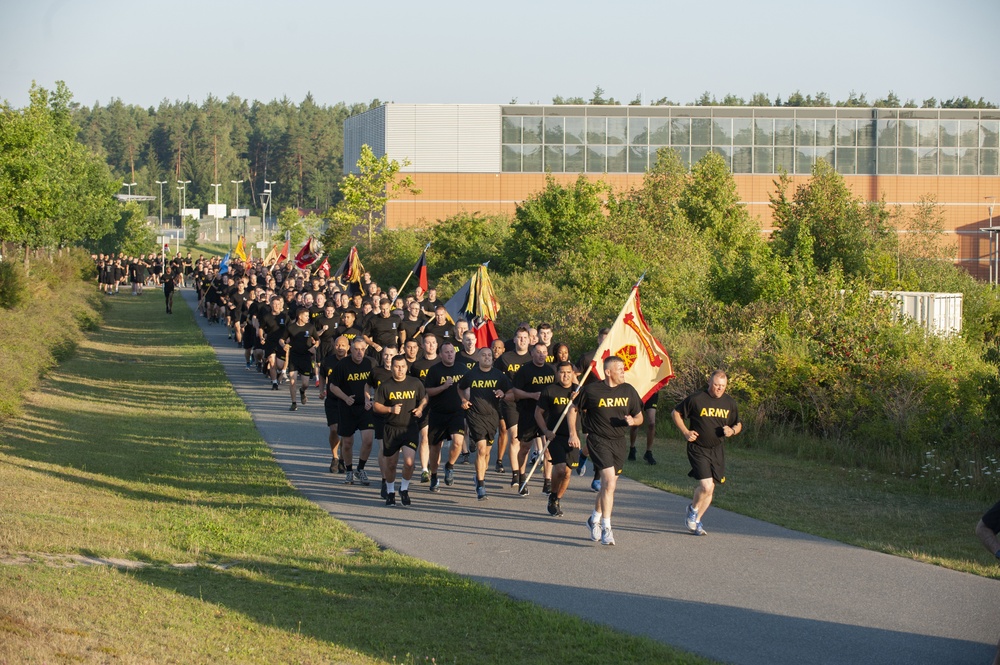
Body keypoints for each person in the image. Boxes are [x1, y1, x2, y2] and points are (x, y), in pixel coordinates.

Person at [569, 355, 643, 546]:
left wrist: (633, 421)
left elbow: (640, 417)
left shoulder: (628, 390)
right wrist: (573, 433)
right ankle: (607, 528)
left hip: (618, 442)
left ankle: (593, 518)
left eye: (623, 369)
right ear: (608, 372)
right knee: (608, 483)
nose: (623, 372)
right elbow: (573, 409)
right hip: (597, 439)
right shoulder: (592, 390)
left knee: (608, 487)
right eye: (620, 369)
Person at [672, 369, 742, 537]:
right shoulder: (697, 399)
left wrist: (732, 431)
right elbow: (676, 413)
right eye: (716, 385)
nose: (719, 389)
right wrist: (685, 431)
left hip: (717, 450)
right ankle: (692, 509)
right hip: (698, 447)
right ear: (709, 383)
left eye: (722, 386)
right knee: (706, 485)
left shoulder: (729, 403)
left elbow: (738, 424)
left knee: (711, 490)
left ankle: (696, 521)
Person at [459, 346, 513, 501]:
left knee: (487, 453)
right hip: (475, 415)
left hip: (493, 416)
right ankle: (481, 485)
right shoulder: (471, 374)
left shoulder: (499, 376)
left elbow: (510, 393)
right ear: (478, 357)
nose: (487, 357)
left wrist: (503, 394)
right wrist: (464, 400)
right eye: (484, 355)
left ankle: (479, 476)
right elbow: (460, 388)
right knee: (481, 449)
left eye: (489, 355)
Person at [372, 355, 427, 507]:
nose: (400, 370)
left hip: (409, 428)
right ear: (392, 368)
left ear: (407, 367)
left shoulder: (415, 383)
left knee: (409, 463)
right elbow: (376, 406)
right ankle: (390, 492)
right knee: (391, 464)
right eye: (397, 366)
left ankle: (404, 489)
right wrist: (390, 409)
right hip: (391, 429)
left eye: (403, 366)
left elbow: (424, 397)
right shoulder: (385, 386)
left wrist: (420, 408)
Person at [328, 338, 376, 486]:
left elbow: (379, 384)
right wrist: (345, 397)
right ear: (351, 349)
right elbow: (332, 386)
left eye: (362, 349)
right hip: (347, 407)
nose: (359, 352)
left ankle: (360, 469)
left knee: (368, 440)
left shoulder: (371, 363)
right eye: (356, 349)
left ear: (365, 349)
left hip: (365, 407)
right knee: (347, 443)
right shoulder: (343, 365)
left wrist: (372, 400)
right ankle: (349, 471)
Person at [536, 361, 581, 517]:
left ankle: (557, 499)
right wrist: (545, 430)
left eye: (569, 372)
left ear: (573, 373)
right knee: (560, 468)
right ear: (557, 373)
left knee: (568, 473)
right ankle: (553, 495)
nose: (565, 375)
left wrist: (577, 400)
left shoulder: (579, 391)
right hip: (555, 435)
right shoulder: (550, 390)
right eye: (562, 372)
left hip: (572, 436)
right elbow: (538, 413)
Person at [423, 340, 469, 491]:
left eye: (452, 352)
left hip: (457, 412)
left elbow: (469, 388)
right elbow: (428, 391)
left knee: (457, 442)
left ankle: (449, 466)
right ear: (441, 354)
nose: (450, 355)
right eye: (446, 352)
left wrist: (467, 400)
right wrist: (443, 386)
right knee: (435, 448)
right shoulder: (435, 370)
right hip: (437, 413)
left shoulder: (462, 369)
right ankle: (434, 476)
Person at [510, 342, 555, 495]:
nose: (541, 354)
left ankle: (547, 481)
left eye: (544, 352)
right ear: (532, 354)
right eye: (538, 352)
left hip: (547, 415)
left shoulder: (551, 370)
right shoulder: (524, 370)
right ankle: (522, 477)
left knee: (548, 449)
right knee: (525, 448)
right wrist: (531, 395)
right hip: (528, 413)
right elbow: (515, 391)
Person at [319, 335, 351, 473]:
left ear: (348, 347)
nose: (340, 348)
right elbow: (322, 376)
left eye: (343, 345)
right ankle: (335, 457)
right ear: (334, 346)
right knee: (334, 430)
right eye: (338, 345)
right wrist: (321, 390)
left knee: (345, 432)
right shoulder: (328, 361)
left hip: (348, 401)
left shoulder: (352, 362)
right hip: (332, 401)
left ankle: (343, 459)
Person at [280, 306, 319, 411]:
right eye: (306, 316)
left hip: (306, 357)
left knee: (305, 383)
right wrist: (284, 345)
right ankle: (293, 403)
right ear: (300, 316)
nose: (308, 317)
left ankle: (302, 391)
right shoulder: (291, 327)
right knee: (292, 381)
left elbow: (317, 340)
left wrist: (314, 347)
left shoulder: (310, 327)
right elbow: (281, 339)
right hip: (294, 357)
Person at [629, 391, 660, 465]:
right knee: (635, 422)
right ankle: (632, 448)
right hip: (639, 391)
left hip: (652, 392)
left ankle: (648, 452)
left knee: (651, 423)